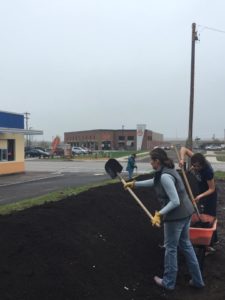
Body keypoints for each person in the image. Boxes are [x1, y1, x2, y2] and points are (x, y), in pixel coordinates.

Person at [124, 148, 204, 290]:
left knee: (171, 248)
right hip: (186, 213)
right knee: (186, 245)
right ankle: (198, 281)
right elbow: (155, 181)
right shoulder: (166, 170)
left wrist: (159, 214)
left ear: (157, 161)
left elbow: (174, 201)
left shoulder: (165, 176)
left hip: (176, 217)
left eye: (151, 160)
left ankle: (168, 282)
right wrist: (135, 184)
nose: (150, 163)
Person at [179, 146, 218, 250]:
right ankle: (202, 240)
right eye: (193, 165)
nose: (194, 168)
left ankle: (209, 245)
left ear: (202, 165)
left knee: (208, 217)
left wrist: (200, 196)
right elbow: (184, 149)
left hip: (209, 195)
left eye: (197, 167)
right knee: (200, 213)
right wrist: (182, 160)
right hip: (201, 191)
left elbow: (212, 189)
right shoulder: (197, 158)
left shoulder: (207, 170)